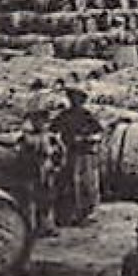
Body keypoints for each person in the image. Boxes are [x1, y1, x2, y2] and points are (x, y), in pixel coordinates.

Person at [52, 87, 104, 225]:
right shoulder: (64, 116)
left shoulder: (87, 116)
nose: (74, 101)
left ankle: (84, 214)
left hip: (84, 154)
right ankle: (68, 215)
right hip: (68, 153)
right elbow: (53, 131)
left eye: (77, 99)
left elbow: (99, 132)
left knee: (85, 184)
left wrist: (87, 139)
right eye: (72, 98)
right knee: (68, 183)